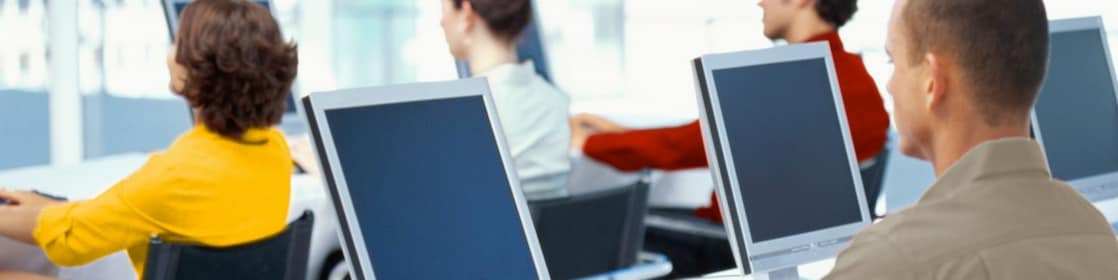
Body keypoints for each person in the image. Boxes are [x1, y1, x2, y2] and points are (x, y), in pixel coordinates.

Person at [0, 0, 298, 278]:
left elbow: (71, 237)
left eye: (178, 42)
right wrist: (43, 205)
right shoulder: (276, 150)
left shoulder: (176, 175)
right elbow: (124, 210)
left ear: (199, 69)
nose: (170, 53)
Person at [824, 0, 1118, 278]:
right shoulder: (1094, 228)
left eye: (893, 62)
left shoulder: (889, 260)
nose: (889, 85)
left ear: (932, 81)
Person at [571, 0, 889, 224]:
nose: (760, 3)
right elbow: (704, 137)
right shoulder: (858, 79)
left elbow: (684, 148)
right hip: (811, 247)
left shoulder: (788, 77)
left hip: (731, 246)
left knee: (607, 226)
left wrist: (585, 143)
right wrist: (620, 132)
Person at [441, 0, 572, 200]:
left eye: (445, 10)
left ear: (466, 14)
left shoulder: (462, 113)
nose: (441, 22)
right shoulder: (555, 101)